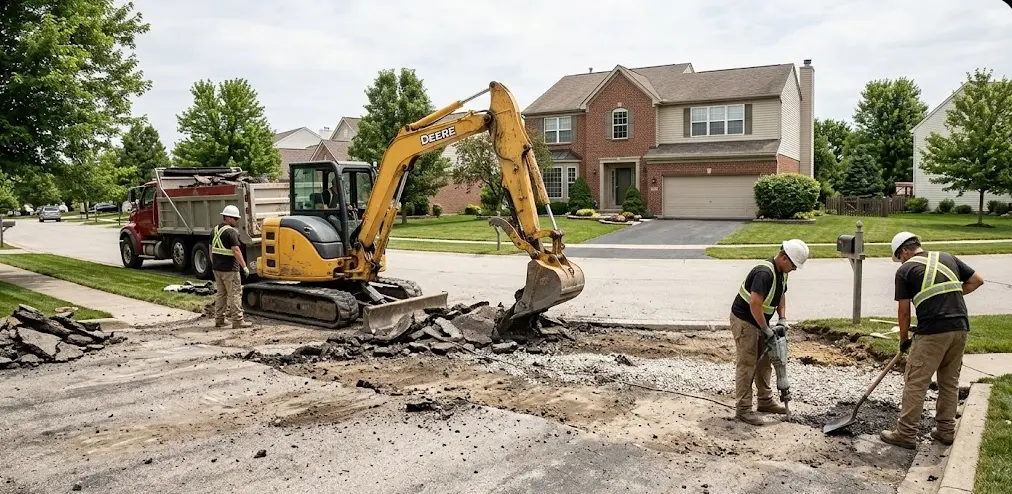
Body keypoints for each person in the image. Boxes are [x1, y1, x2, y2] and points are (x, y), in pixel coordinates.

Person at [880, 232, 984, 449]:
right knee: (949, 381)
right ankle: (946, 431)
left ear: (905, 251)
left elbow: (904, 313)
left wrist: (903, 339)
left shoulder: (905, 270)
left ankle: (906, 433)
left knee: (916, 381)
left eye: (900, 257)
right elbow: (976, 281)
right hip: (960, 328)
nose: (901, 261)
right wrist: (946, 300)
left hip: (932, 332)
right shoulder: (948, 257)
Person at [728, 239, 809, 426]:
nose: (795, 269)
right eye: (794, 265)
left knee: (765, 362)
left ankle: (765, 401)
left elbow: (781, 295)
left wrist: (782, 318)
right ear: (783, 258)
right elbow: (755, 304)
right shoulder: (764, 273)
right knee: (747, 364)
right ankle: (743, 409)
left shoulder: (782, 272)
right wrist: (765, 328)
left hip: (760, 320)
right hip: (745, 321)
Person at [210, 205, 253, 329]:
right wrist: (244, 267)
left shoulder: (215, 230)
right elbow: (236, 251)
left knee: (221, 294)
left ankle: (219, 320)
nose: (237, 221)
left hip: (217, 269)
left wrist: (214, 264)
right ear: (228, 218)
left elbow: (210, 249)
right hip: (230, 269)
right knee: (235, 294)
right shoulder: (231, 232)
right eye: (235, 218)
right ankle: (238, 321)